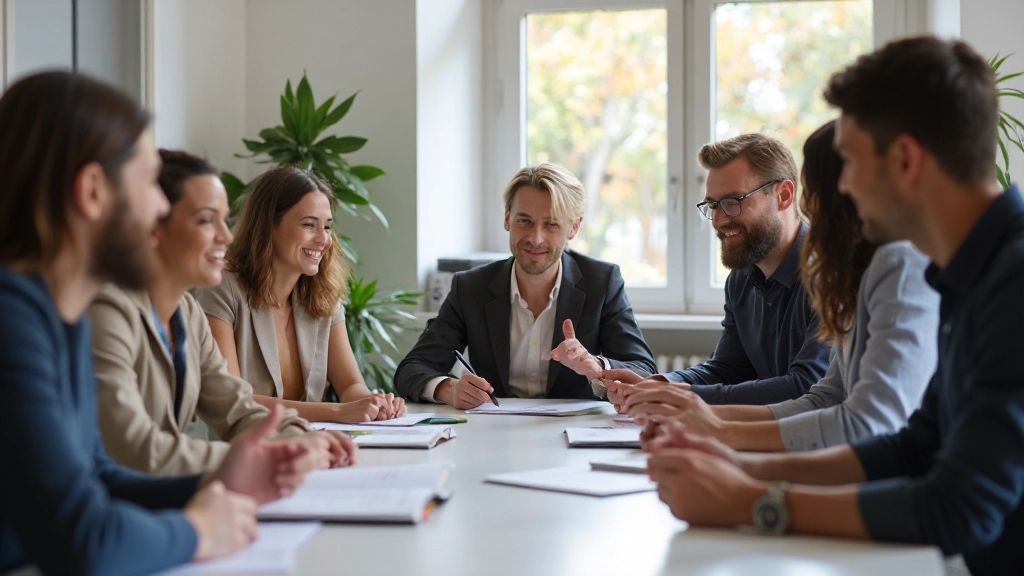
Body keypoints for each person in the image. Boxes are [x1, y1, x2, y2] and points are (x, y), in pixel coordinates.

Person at [645, 36, 1024, 575]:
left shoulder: (1011, 284)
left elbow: (960, 507)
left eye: (848, 161)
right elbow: (916, 447)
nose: (839, 186)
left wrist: (751, 501)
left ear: (906, 160)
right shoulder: (971, 272)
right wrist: (736, 466)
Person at [0, 71, 331, 575]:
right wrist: (198, 529)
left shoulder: (55, 315)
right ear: (92, 191)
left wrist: (226, 478)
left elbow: (97, 475)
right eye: (145, 183)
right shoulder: (13, 319)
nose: (158, 208)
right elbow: (85, 538)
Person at [621, 120, 939, 452]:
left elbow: (853, 416)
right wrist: (677, 399)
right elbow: (826, 396)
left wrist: (711, 425)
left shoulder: (891, 267)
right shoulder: (851, 272)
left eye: (732, 202)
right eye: (713, 206)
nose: (808, 208)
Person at [89, 150, 358, 475]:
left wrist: (300, 437)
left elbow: (238, 407)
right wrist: (261, 459)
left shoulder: (185, 312)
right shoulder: (107, 311)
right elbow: (135, 448)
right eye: (206, 219)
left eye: (223, 218)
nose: (226, 235)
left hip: (154, 500)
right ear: (152, 225)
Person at [394, 163, 656, 408]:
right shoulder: (471, 287)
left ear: (574, 227)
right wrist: (448, 389)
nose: (536, 238)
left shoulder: (602, 282)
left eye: (551, 224)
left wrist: (597, 367)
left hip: (573, 439)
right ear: (507, 219)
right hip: (494, 435)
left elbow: (644, 371)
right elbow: (412, 369)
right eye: (524, 221)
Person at [603, 134, 830, 406]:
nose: (720, 219)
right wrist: (657, 384)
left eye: (733, 202)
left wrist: (677, 396)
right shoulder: (741, 278)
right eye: (713, 205)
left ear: (783, 195)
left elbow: (807, 386)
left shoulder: (828, 274)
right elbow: (728, 370)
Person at [195, 167, 405, 423]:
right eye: (309, 225)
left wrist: (372, 403)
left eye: (327, 227)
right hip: (244, 449)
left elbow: (350, 385)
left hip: (312, 446)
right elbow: (233, 399)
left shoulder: (324, 294)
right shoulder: (221, 288)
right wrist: (337, 412)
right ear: (268, 226)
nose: (323, 239)